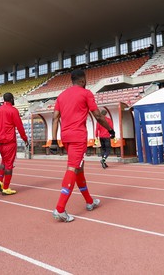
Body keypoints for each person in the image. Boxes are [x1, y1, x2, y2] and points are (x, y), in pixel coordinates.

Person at [51, 69, 115, 222]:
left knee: (79, 169)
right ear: (82, 80)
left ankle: (89, 202)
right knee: (73, 168)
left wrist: (54, 140)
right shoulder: (86, 93)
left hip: (65, 137)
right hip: (78, 137)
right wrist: (110, 129)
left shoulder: (61, 96)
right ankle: (60, 209)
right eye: (85, 80)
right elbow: (98, 115)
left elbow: (55, 118)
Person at [0, 92, 28, 195]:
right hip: (9, 141)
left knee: (3, 161)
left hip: (0, 141)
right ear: (12, 99)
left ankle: (0, 181)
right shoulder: (13, 110)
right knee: (9, 165)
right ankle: (6, 187)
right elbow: (20, 126)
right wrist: (25, 138)